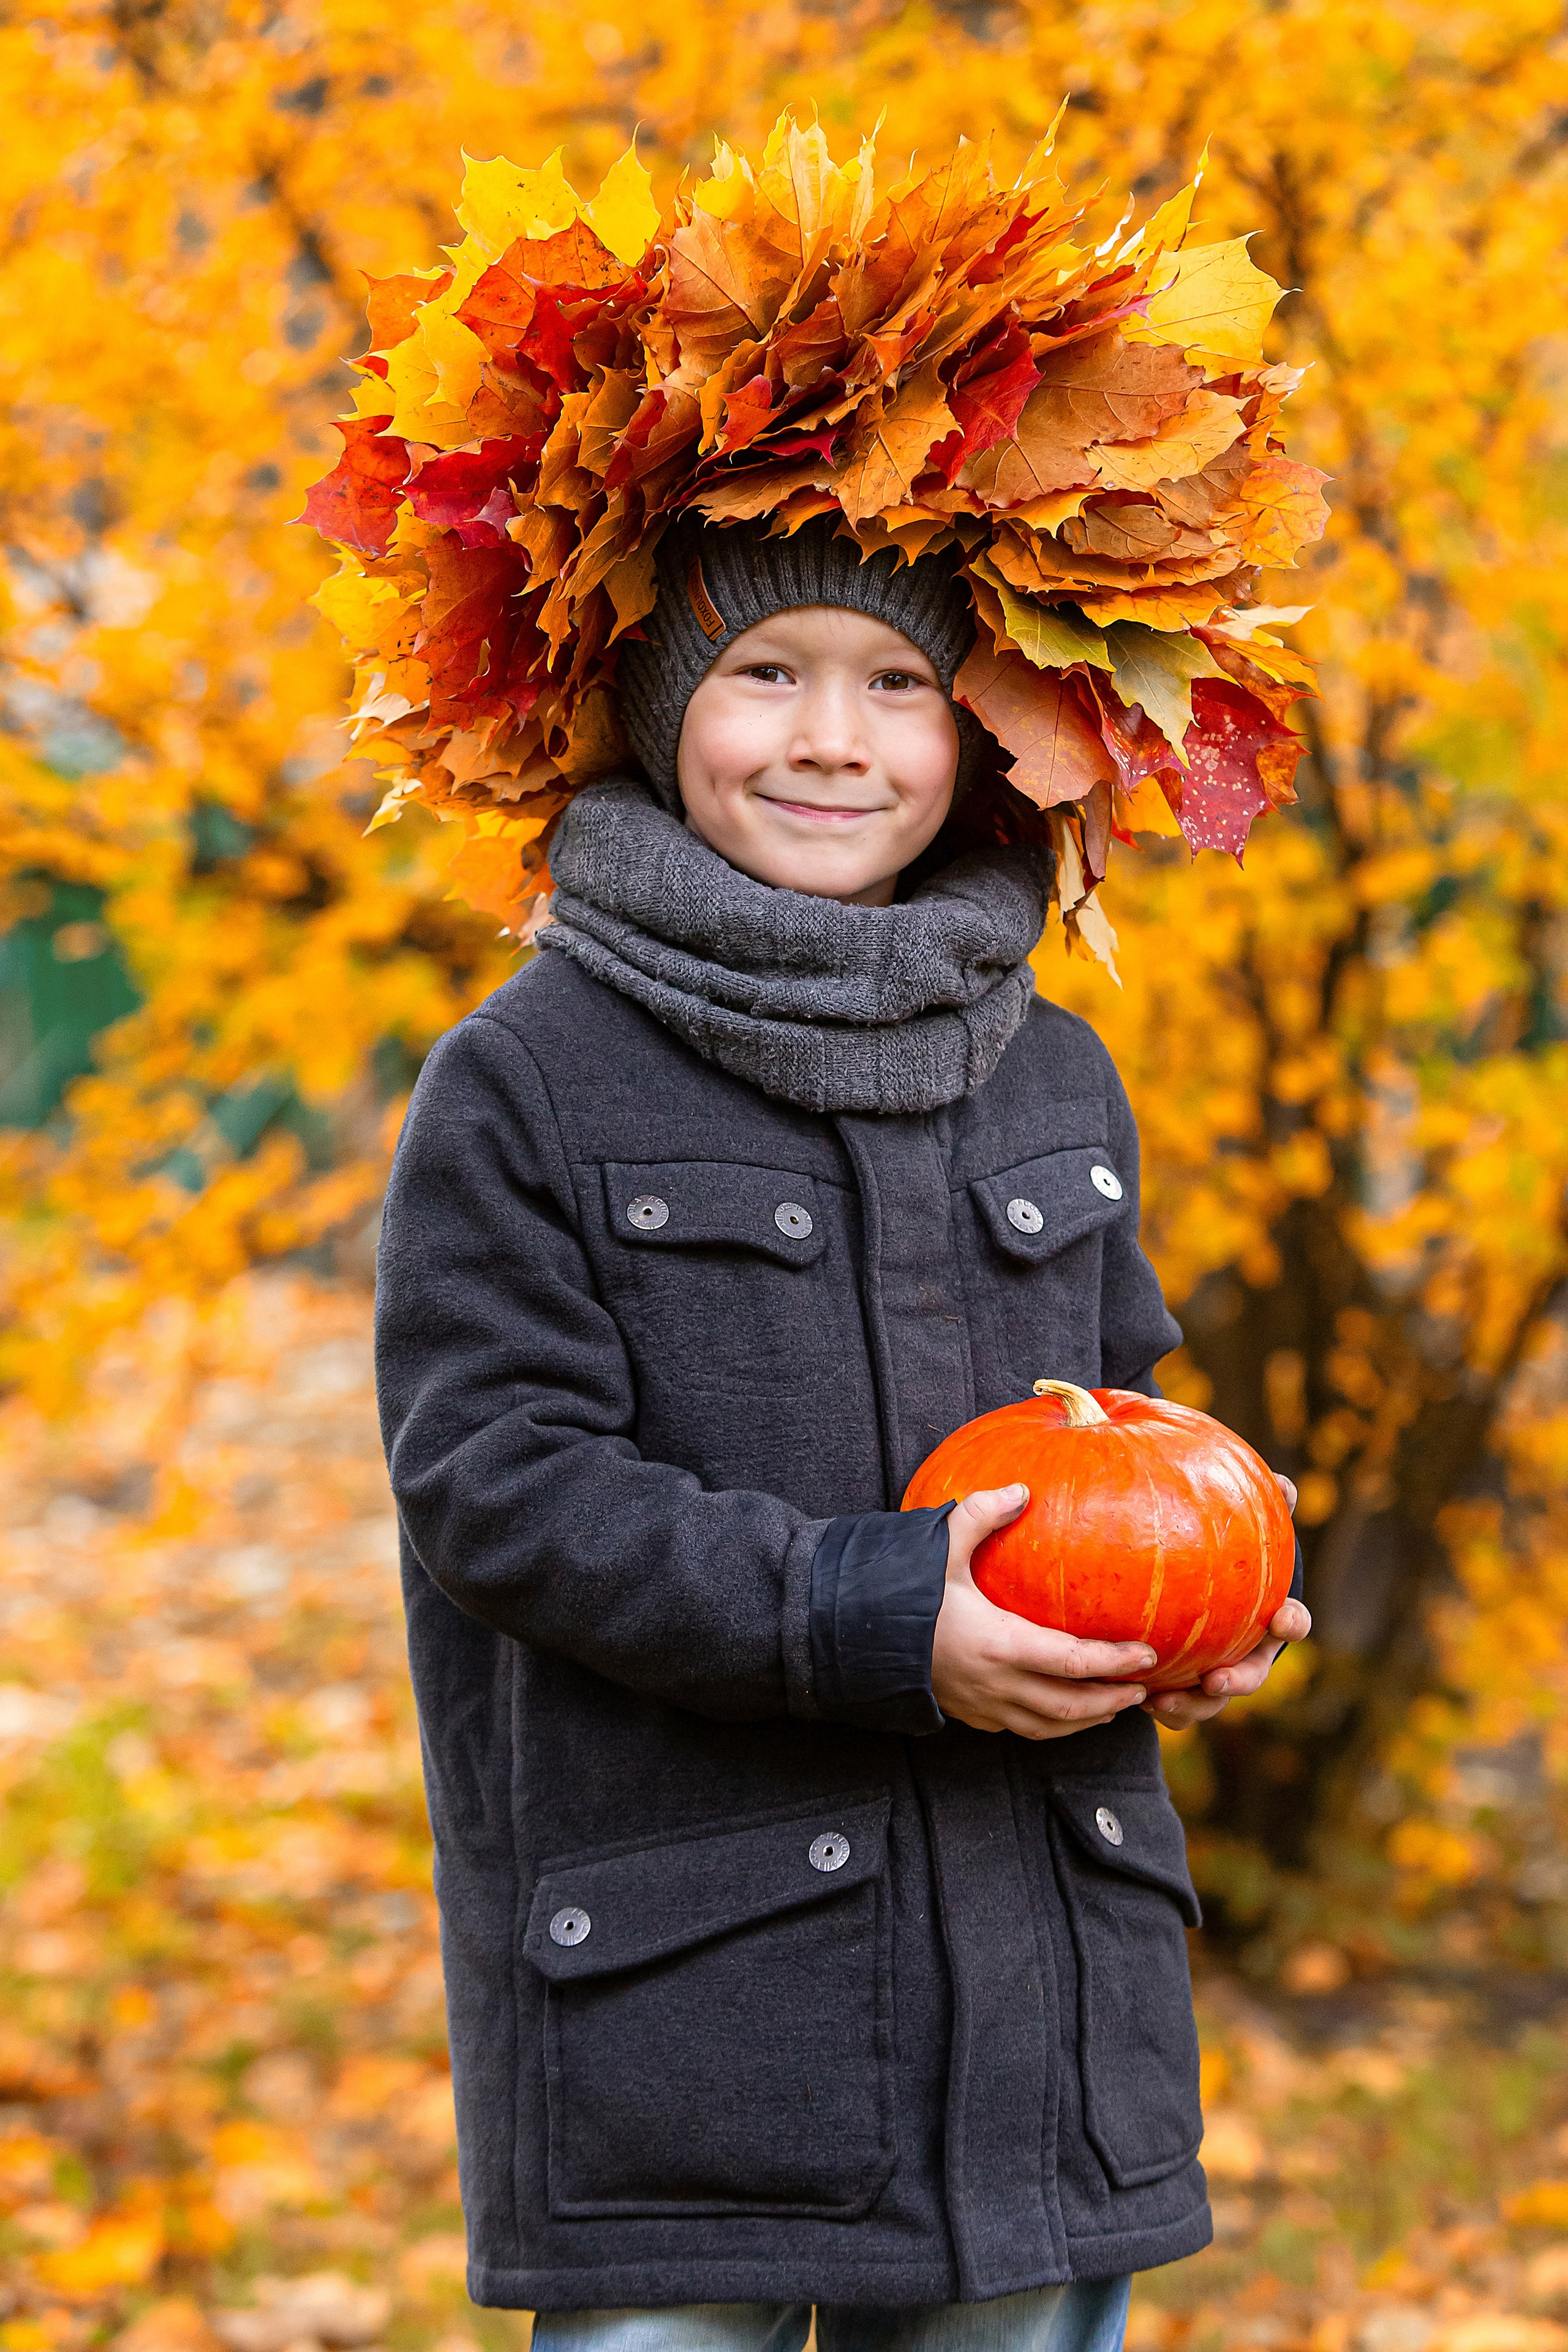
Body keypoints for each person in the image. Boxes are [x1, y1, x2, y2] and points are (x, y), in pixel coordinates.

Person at [374, 515, 1310, 2352]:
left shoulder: (1049, 1065)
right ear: (659, 714)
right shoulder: (529, 1080)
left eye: (898, 683)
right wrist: (872, 1614)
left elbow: (1121, 1422)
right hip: (694, 1999)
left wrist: (1205, 1615)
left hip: (1030, 1986)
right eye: (764, 675)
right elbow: (502, 1483)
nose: (834, 738)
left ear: (978, 729)